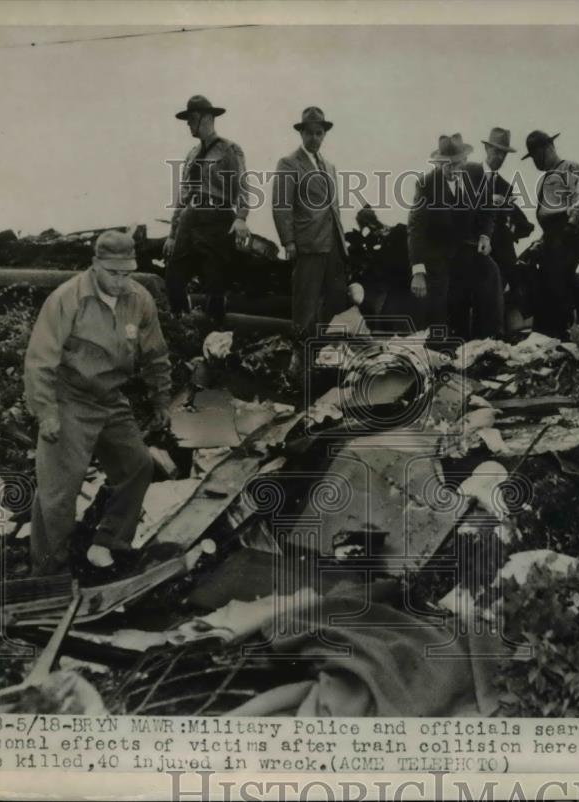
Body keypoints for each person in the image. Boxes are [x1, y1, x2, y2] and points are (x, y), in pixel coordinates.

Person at [24, 230, 172, 576]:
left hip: (111, 397)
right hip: (69, 397)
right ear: (95, 265)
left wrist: (161, 398)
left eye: (128, 273)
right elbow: (39, 360)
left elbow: (155, 354)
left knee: (138, 465)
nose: (122, 281)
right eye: (113, 273)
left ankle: (108, 543)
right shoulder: (67, 299)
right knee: (60, 489)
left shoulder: (140, 299)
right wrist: (46, 414)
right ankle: (48, 570)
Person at [164, 94, 252, 320]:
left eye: (191, 118)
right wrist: (173, 233)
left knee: (215, 279)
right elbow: (183, 195)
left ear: (206, 118)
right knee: (174, 273)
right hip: (190, 217)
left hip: (217, 217)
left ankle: (215, 333)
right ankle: (182, 323)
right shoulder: (192, 154)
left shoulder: (229, 150)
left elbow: (243, 186)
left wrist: (241, 218)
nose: (188, 124)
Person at [407, 134, 502, 340]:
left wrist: (485, 235)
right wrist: (418, 270)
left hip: (467, 249)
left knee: (490, 274)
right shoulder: (426, 184)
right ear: (438, 163)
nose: (452, 170)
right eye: (446, 165)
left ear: (465, 161)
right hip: (438, 253)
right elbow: (415, 228)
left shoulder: (477, 174)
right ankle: (442, 349)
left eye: (456, 164)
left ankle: (487, 341)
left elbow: (488, 209)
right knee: (442, 302)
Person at [272, 107, 351, 350]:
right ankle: (301, 361)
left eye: (319, 133)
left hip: (333, 245)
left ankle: (328, 356)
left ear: (324, 135)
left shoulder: (329, 166)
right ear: (302, 134)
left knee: (336, 302)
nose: (314, 138)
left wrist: (342, 240)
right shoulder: (288, 163)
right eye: (310, 133)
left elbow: (332, 207)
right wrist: (289, 242)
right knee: (305, 306)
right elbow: (281, 205)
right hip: (308, 245)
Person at [522, 129, 579, 340]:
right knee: (533, 277)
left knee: (557, 281)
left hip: (568, 233)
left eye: (536, 155)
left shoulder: (570, 168)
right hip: (550, 236)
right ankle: (543, 335)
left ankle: (562, 333)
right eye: (531, 157)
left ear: (548, 148)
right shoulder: (543, 180)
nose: (534, 161)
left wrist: (572, 225)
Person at [480, 127, 534, 317]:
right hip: (471, 249)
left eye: (504, 154)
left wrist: (506, 212)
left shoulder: (506, 187)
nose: (500, 158)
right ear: (486, 149)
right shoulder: (468, 175)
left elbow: (518, 222)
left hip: (499, 252)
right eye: (496, 152)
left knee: (497, 295)